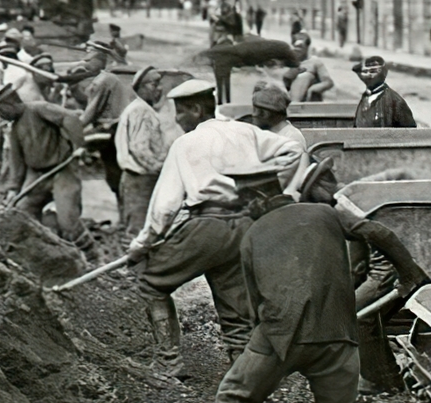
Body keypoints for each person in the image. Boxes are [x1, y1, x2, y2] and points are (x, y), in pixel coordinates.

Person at [183, 161, 431, 403]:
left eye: (243, 199)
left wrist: (261, 356)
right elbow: (381, 234)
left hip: (280, 335)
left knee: (234, 398)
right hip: (338, 334)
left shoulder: (252, 236)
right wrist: (411, 275)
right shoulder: (325, 214)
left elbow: (253, 305)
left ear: (257, 197)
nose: (242, 206)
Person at [126, 79, 302, 377]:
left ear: (195, 109)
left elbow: (164, 206)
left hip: (210, 225)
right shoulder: (245, 131)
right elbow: (292, 150)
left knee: (151, 283)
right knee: (235, 306)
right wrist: (260, 179)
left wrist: (141, 245)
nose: (178, 120)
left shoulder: (185, 144)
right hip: (247, 224)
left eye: (179, 113)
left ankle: (168, 363)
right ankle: (247, 376)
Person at [0, 83, 94, 251]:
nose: (1, 116)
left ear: (11, 105)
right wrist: (13, 188)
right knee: (22, 212)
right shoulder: (15, 129)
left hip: (62, 170)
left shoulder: (39, 109)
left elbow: (70, 118)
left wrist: (78, 145)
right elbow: (16, 162)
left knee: (67, 220)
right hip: (37, 175)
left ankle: (88, 254)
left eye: (1, 111)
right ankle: (42, 251)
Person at [115, 67, 174, 235]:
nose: (159, 89)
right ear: (141, 87)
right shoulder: (141, 111)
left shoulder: (142, 109)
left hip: (140, 178)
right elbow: (139, 148)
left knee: (142, 228)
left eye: (159, 84)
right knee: (139, 229)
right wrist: (160, 168)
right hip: (141, 179)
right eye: (154, 84)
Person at [78, 65, 135, 201]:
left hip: (113, 130)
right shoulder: (124, 78)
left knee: (115, 173)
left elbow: (91, 112)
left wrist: (73, 128)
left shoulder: (105, 80)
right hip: (125, 129)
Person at [248, 82, 308, 192]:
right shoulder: (270, 134)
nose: (253, 115)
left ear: (265, 114)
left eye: (255, 110)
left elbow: (279, 183)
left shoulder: (291, 140)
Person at [351, 56, 417, 128]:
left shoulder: (395, 101)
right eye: (365, 72)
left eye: (373, 71)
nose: (369, 75)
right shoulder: (365, 98)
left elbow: (409, 132)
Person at [287, 33, 336, 103]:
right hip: (290, 97)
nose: (297, 51)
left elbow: (328, 82)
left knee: (305, 76)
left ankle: (295, 104)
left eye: (301, 48)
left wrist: (313, 89)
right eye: (296, 48)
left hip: (309, 100)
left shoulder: (314, 61)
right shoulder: (288, 62)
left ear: (307, 47)